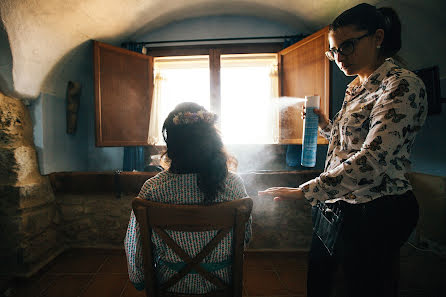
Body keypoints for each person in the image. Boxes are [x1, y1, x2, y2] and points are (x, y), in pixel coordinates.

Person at [259, 3, 427, 297]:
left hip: (376, 209)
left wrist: (305, 191)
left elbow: (372, 159)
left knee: (359, 287)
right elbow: (347, 143)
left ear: (377, 37)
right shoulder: (355, 87)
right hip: (338, 204)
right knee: (321, 280)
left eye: (346, 46)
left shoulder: (401, 84)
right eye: (333, 51)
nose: (338, 58)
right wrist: (326, 125)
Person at [124, 102, 251, 294]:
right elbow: (246, 236)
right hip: (221, 285)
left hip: (170, 285)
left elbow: (135, 246)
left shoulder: (152, 190)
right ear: (212, 140)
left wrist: (140, 280)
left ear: (172, 145)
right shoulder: (234, 185)